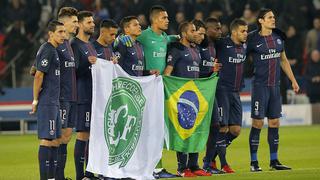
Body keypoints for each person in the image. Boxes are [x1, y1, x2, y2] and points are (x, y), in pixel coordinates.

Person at [247, 8, 299, 172]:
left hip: (275, 87)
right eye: (269, 17)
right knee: (258, 123)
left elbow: (283, 60)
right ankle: (254, 162)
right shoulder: (252, 39)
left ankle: (274, 160)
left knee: (275, 122)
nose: (273, 20)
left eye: (274, 17)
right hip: (259, 87)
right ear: (261, 20)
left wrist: (293, 80)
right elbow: (241, 56)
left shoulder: (278, 37)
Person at [163, 21, 211, 178]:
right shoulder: (176, 49)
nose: (196, 33)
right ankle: (181, 168)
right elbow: (168, 73)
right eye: (192, 31)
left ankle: (194, 165)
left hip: (196, 96)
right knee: (183, 130)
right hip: (181, 97)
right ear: (184, 34)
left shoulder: (196, 50)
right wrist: (167, 92)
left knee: (195, 129)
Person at [207, 18, 248, 174]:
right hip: (222, 89)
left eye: (246, 31)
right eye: (243, 31)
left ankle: (211, 157)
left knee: (236, 130)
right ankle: (223, 163)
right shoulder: (222, 44)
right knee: (222, 128)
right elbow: (205, 42)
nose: (245, 34)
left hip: (236, 91)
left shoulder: (245, 46)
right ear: (234, 32)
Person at [30, 20, 65, 180]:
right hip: (47, 102)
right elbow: (38, 75)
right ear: (51, 33)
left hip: (54, 101)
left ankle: (51, 178)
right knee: (47, 139)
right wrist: (36, 100)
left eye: (64, 32)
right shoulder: (48, 50)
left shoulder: (53, 50)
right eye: (60, 32)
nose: (63, 35)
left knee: (55, 140)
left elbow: (36, 69)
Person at [70, 11, 97, 180]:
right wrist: (89, 63)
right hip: (82, 96)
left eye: (93, 22)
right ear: (79, 24)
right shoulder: (75, 45)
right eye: (89, 22)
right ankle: (81, 176)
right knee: (83, 135)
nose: (93, 25)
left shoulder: (91, 45)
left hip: (93, 96)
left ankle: (89, 172)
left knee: (91, 137)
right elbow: (75, 71)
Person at [55, 7, 79, 180]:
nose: (77, 25)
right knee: (58, 138)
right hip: (61, 98)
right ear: (63, 23)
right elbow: (38, 69)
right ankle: (55, 176)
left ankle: (60, 176)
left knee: (67, 137)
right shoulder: (55, 45)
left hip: (72, 97)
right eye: (75, 22)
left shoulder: (69, 45)